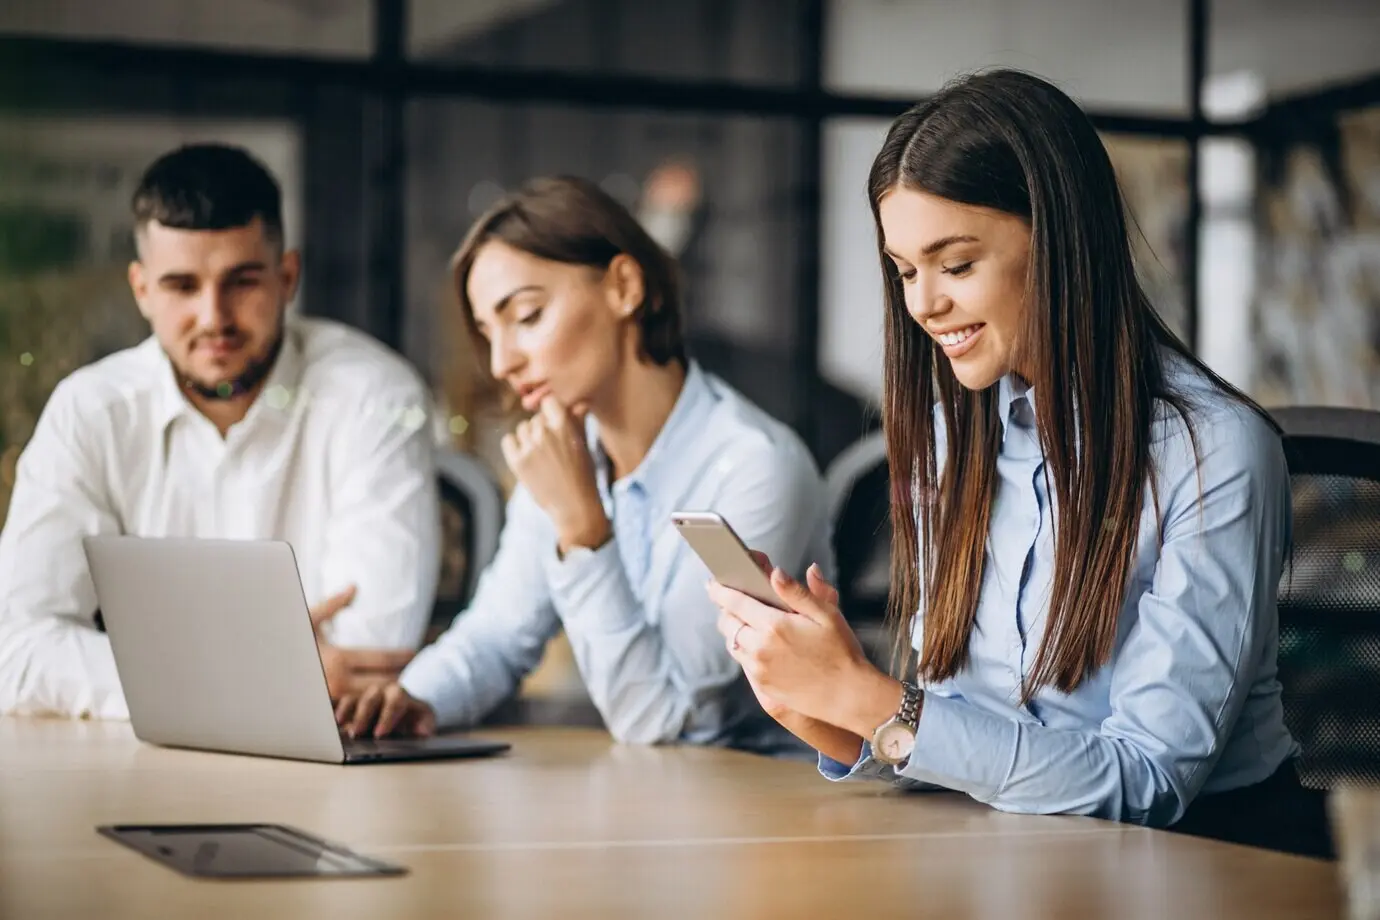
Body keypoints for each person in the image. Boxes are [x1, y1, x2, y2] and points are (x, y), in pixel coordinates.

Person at [706, 69, 1332, 858]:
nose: (923, 304)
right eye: (904, 271)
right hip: (1012, 852)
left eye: (956, 265)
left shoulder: (1214, 452)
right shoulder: (950, 435)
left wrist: (882, 708)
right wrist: (834, 712)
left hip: (1211, 861)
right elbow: (965, 737)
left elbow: (1148, 781)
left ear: (1061, 239)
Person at [335, 175, 832, 754]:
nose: (500, 363)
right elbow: (498, 637)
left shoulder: (755, 466)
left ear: (623, 286)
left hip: (768, 807)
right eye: (487, 333)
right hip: (647, 799)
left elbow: (664, 721)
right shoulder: (572, 450)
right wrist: (408, 699)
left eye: (525, 316)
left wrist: (583, 530)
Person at [0, 143, 441, 720]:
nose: (214, 317)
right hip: (136, 764)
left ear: (288, 276)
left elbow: (368, 660)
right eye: (182, 286)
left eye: (242, 281)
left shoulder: (374, 396)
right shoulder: (91, 411)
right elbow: (18, 650)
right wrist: (250, 673)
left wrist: (156, 671)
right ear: (142, 291)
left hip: (329, 767)